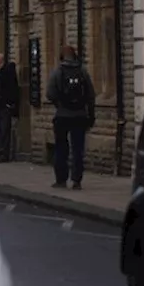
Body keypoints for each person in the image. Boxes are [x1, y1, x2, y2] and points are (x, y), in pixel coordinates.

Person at [45, 45, 96, 190]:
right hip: (80, 115)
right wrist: (91, 115)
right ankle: (77, 181)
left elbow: (49, 93)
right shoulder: (82, 72)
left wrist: (60, 104)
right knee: (78, 149)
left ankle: (61, 180)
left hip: (62, 116)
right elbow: (90, 95)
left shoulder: (57, 72)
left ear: (62, 57)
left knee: (61, 148)